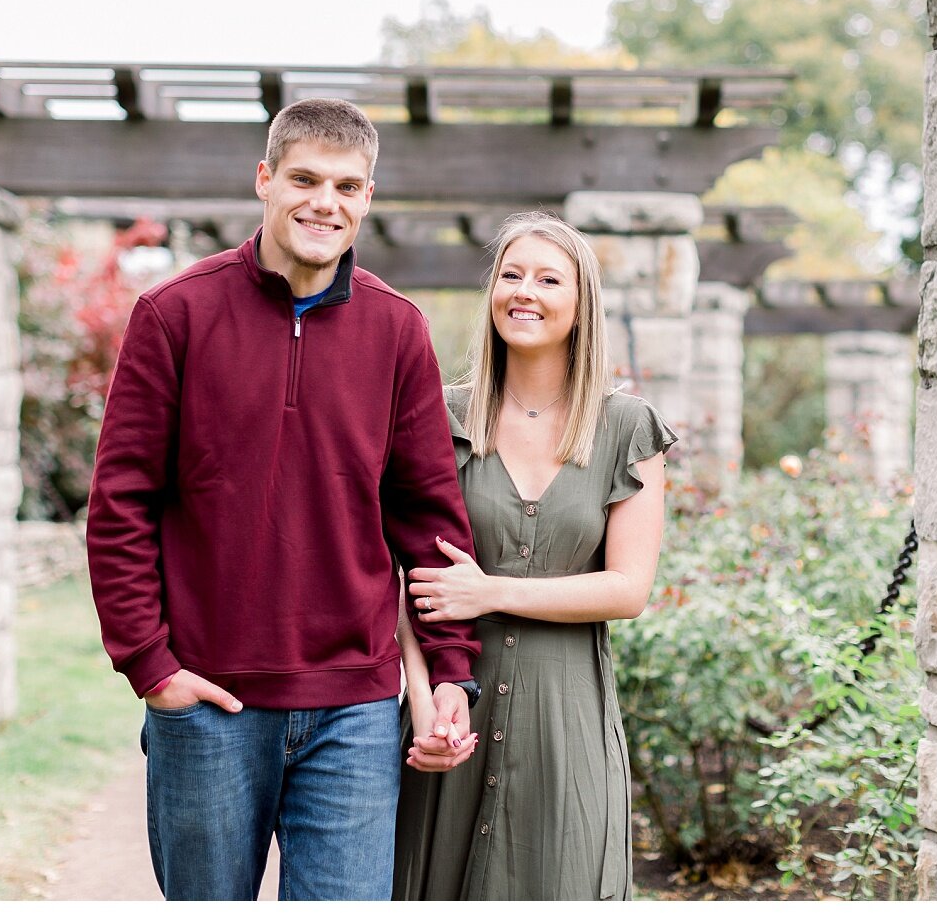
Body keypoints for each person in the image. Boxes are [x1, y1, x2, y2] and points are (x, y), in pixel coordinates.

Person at [85, 97, 482, 901]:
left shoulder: (398, 330)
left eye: (346, 186)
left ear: (368, 198)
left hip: (356, 710)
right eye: (304, 178)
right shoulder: (175, 315)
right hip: (208, 701)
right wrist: (153, 667)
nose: (323, 202)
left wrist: (449, 669)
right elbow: (120, 503)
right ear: (265, 180)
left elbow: (428, 519)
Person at [392, 212, 676, 900]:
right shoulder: (440, 415)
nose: (526, 291)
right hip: (452, 713)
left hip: (566, 720)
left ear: (581, 307)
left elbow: (628, 588)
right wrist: (428, 708)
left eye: (549, 278)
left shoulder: (626, 425)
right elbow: (403, 576)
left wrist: (489, 592)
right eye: (511, 275)